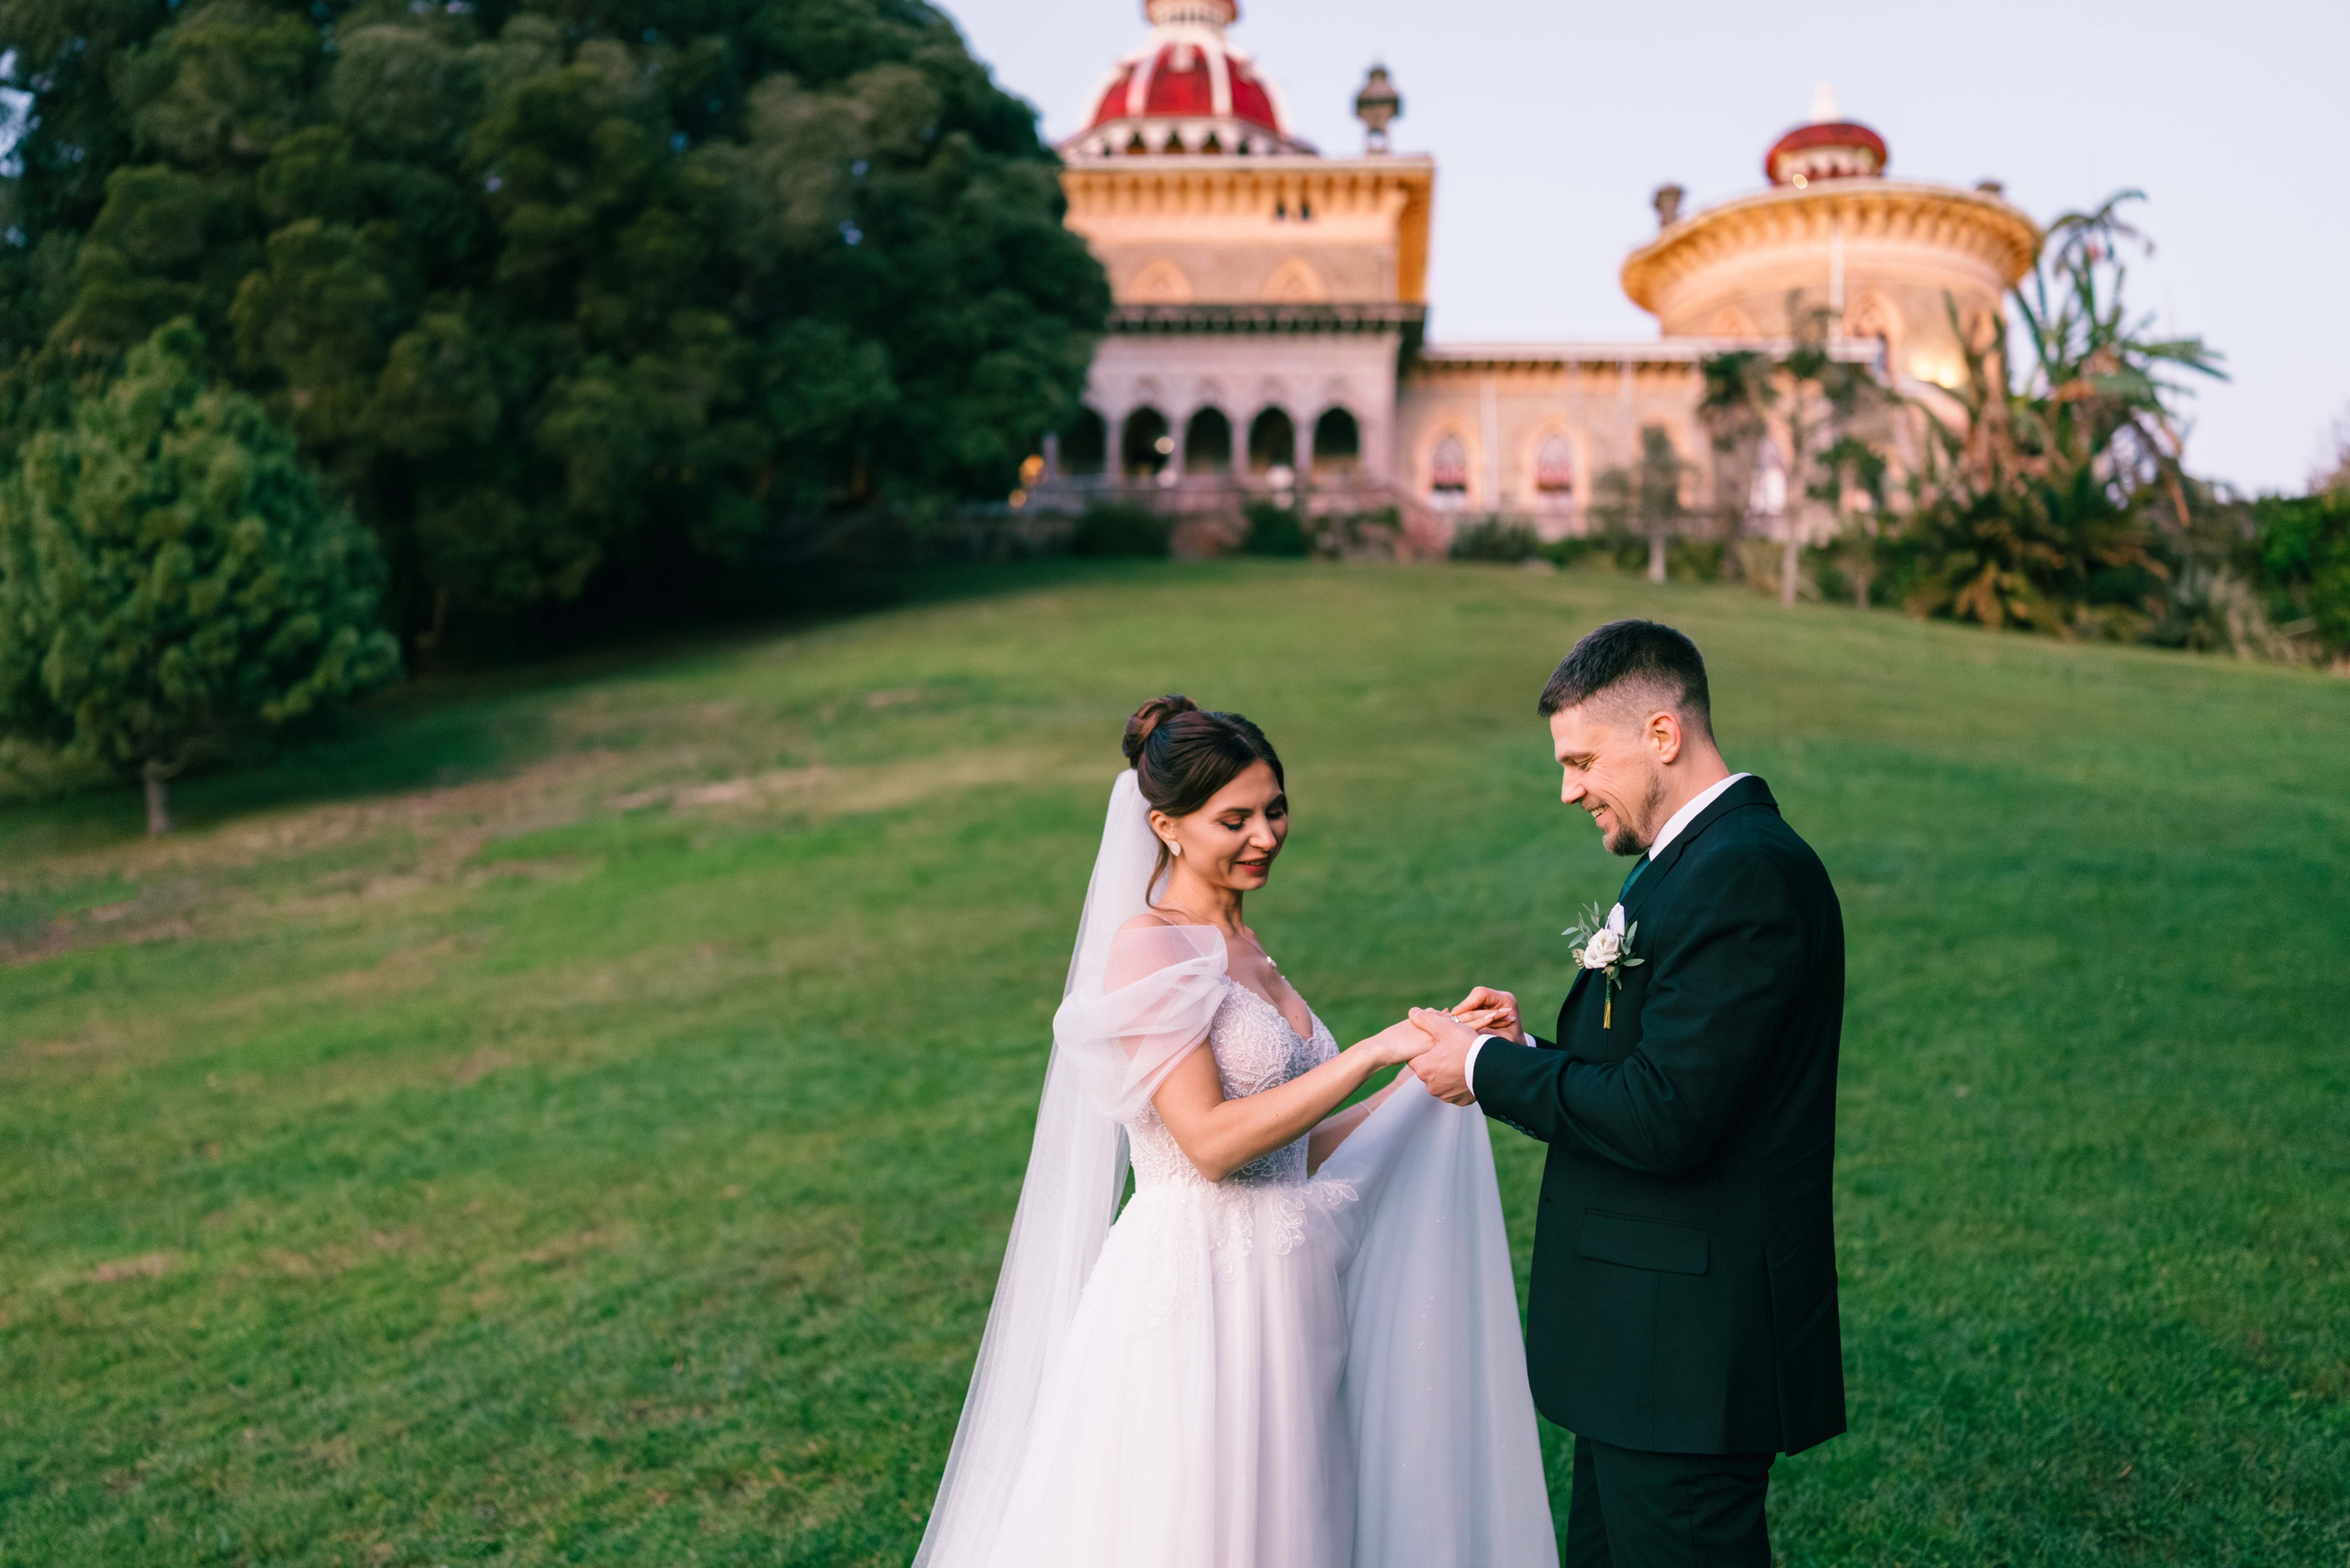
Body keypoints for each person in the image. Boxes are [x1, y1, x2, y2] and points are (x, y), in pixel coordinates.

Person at [914, 697, 1557, 1568]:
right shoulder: (1152, 948)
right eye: (1235, 818)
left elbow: (1291, 1146)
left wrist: (1434, 1065)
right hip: (1200, 1290)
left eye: (1275, 808)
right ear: (1166, 828)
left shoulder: (1249, 949)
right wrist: (1372, 1050)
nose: (1265, 834)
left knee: (1297, 1525)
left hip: (1287, 1289)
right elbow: (1211, 1144)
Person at [1406, 619, 1848, 1568]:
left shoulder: (1746, 874)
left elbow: (1667, 1116)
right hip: (1642, 1348)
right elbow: (1661, 1061)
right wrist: (1528, 1047)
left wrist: (1485, 1073)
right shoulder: (1687, 862)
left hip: (1688, 1354)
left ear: (1661, 734)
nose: (1567, 788)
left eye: (1579, 760)